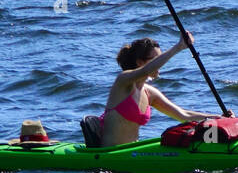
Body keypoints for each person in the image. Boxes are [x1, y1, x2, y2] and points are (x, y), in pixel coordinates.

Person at [87, 33, 229, 148]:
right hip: (111, 155)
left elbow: (183, 115)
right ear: (140, 62)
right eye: (157, 59)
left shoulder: (149, 93)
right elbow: (148, 69)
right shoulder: (123, 81)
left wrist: (218, 118)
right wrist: (178, 47)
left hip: (132, 152)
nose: (161, 64)